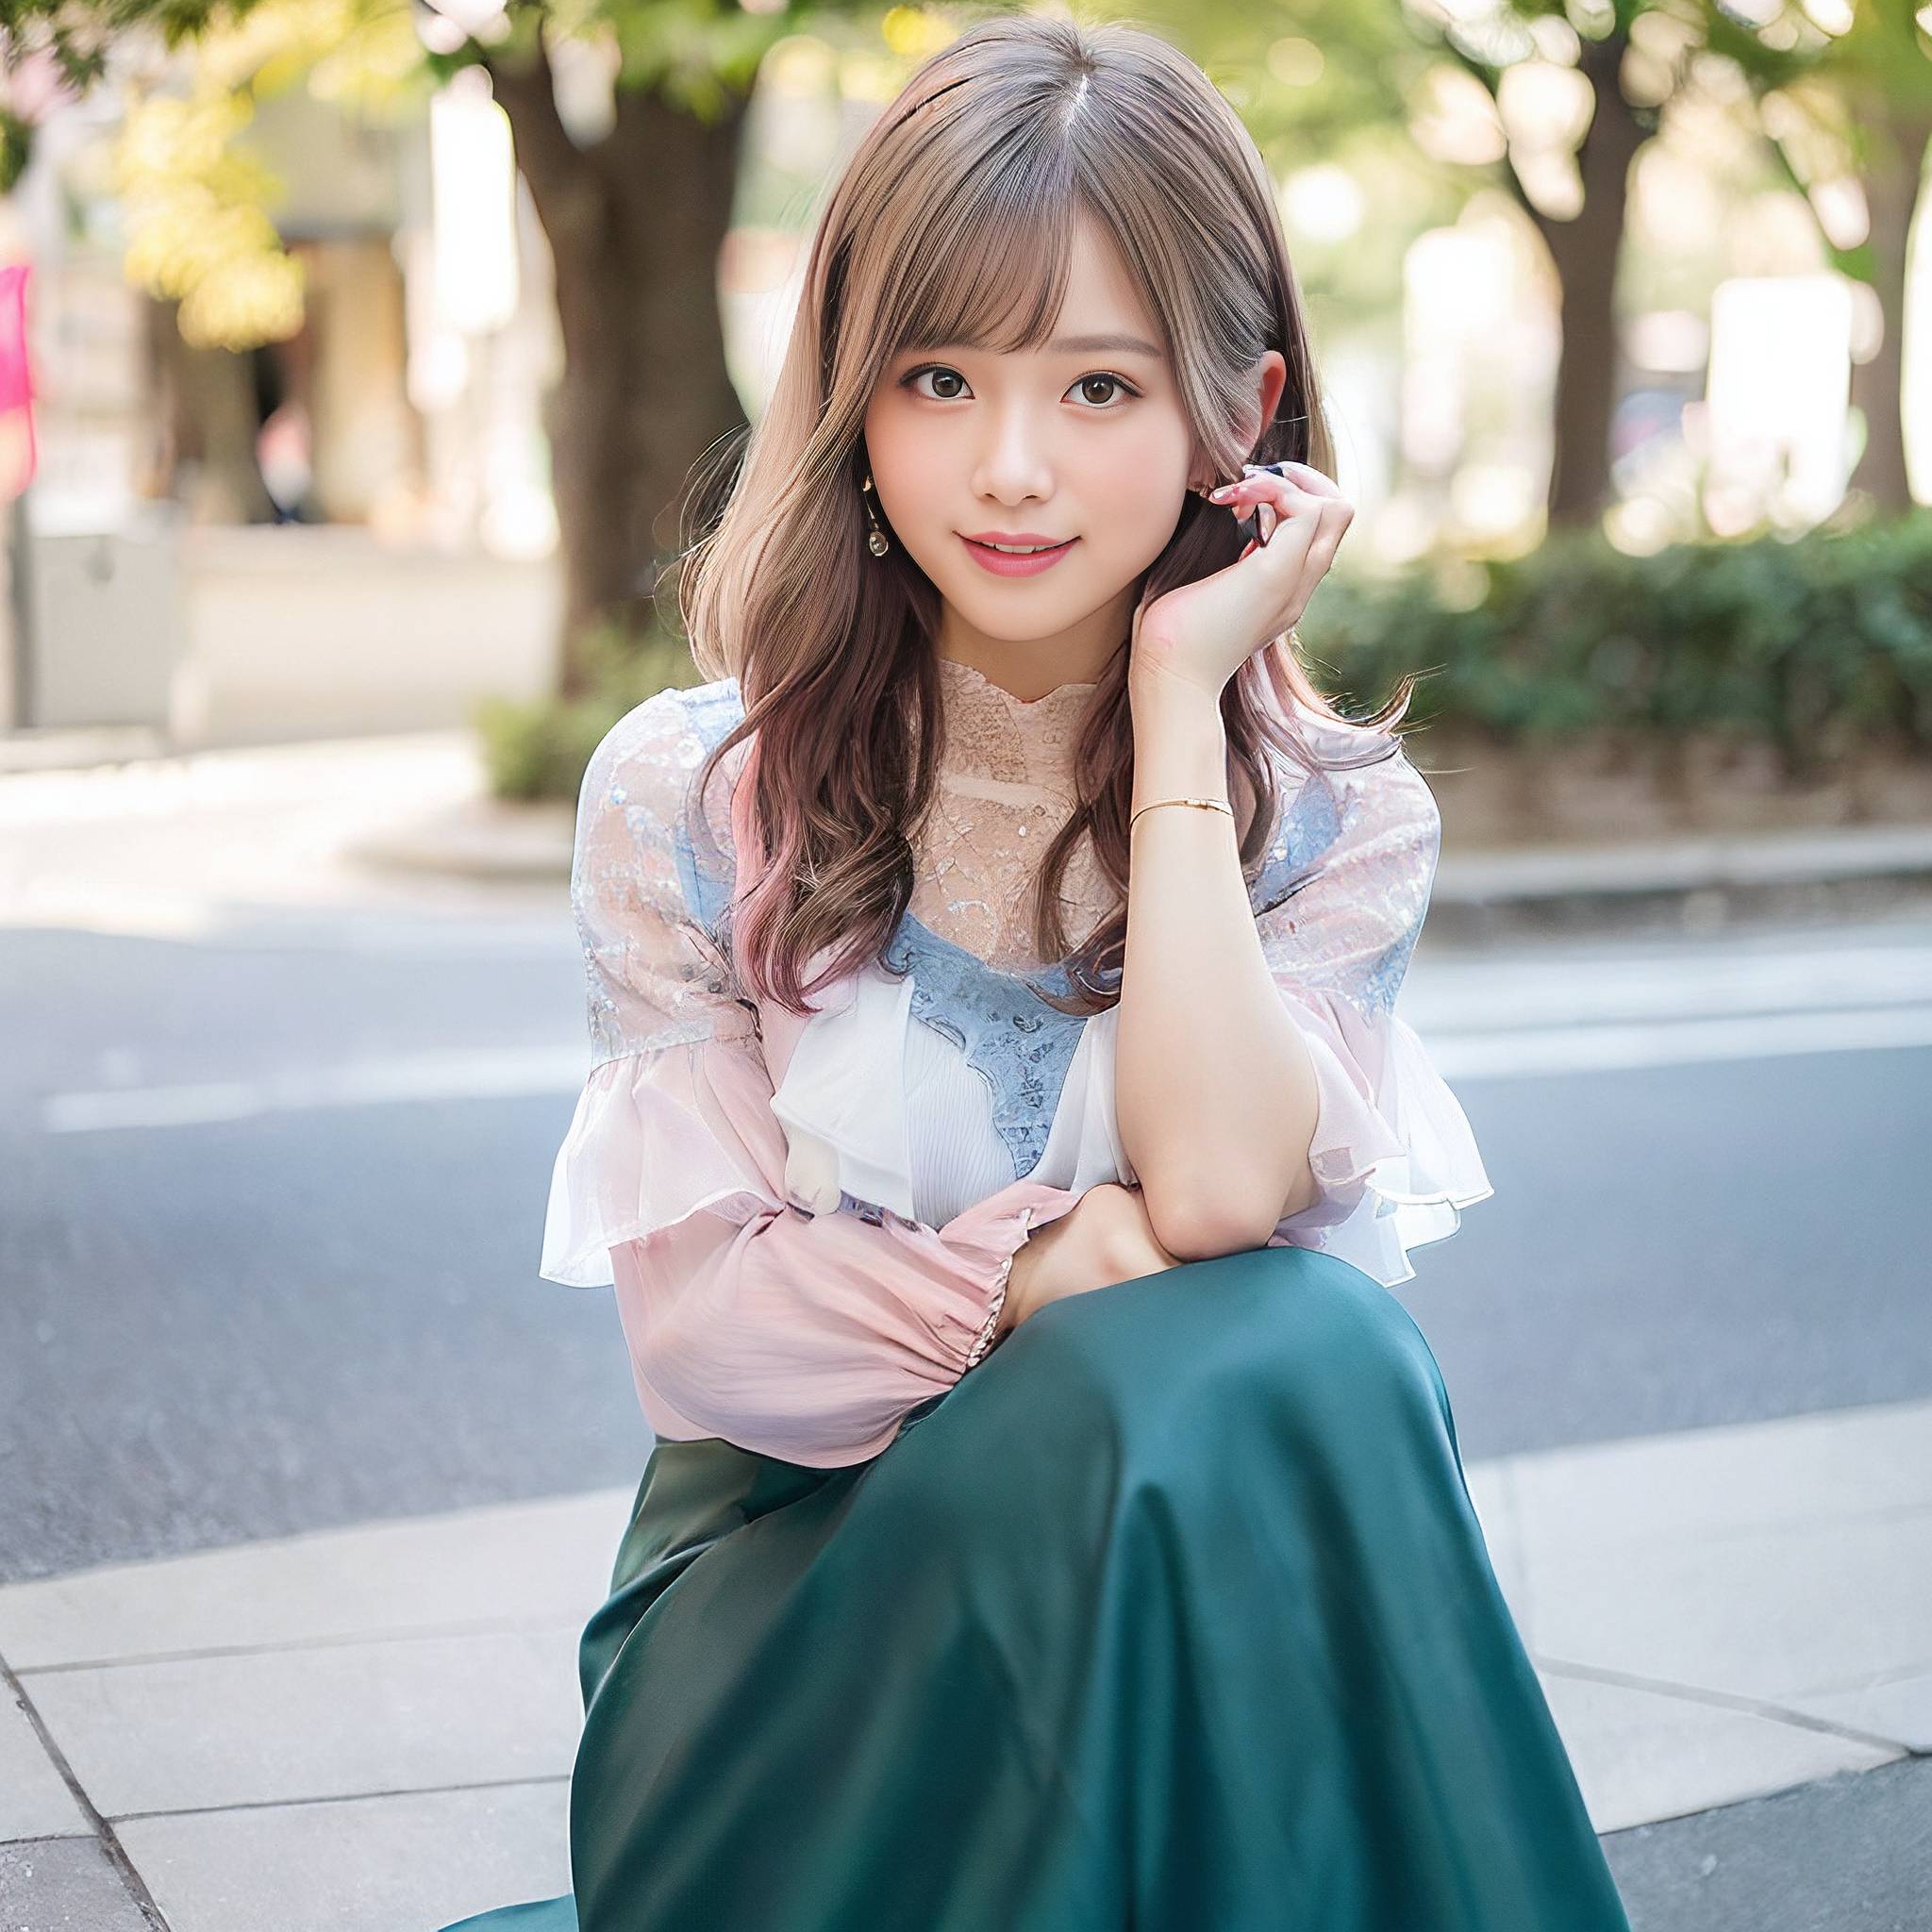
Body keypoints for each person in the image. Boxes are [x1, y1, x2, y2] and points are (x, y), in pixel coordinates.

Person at [437, 16, 1631, 1929]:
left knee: (1300, 1354)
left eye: (1096, 387)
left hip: (1146, 1599)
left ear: (1234, 410)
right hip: (782, 1640)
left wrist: (1177, 707)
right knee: (1268, 1354)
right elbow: (708, 1344)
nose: (1008, 469)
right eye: (939, 377)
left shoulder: (1331, 821)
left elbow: (1228, 1190)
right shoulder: (696, 792)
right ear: (852, 393)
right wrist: (1042, 1266)